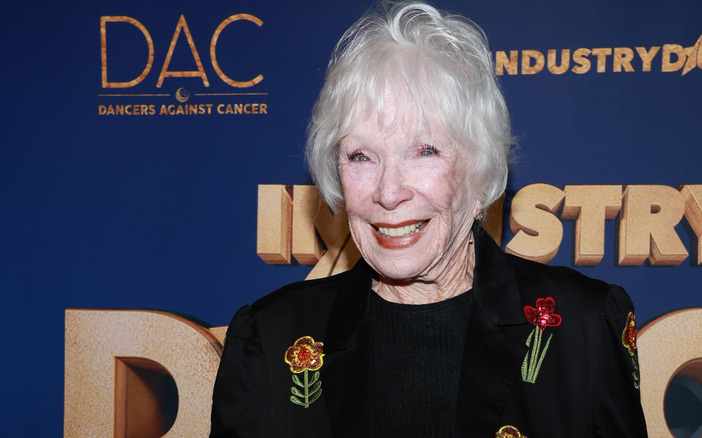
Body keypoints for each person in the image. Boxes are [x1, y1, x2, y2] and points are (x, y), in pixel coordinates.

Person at [210, 2, 648, 437]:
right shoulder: (271, 339)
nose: (387, 191)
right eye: (361, 156)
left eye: (424, 152)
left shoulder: (584, 326)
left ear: (480, 173)